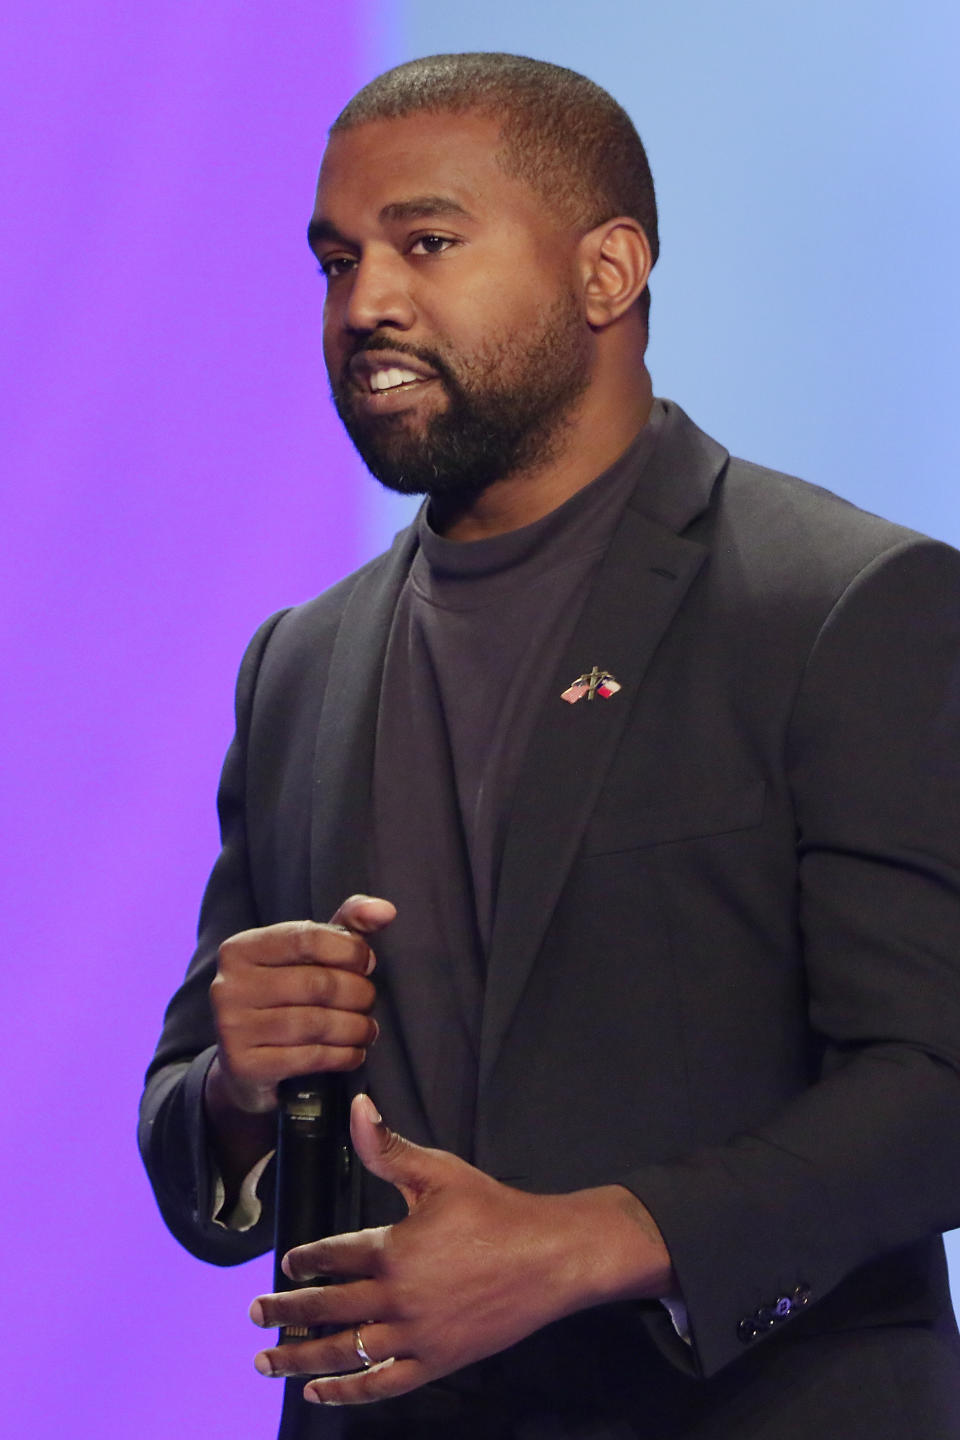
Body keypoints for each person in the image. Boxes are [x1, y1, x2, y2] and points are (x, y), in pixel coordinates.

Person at [139, 52, 960, 1439]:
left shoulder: (844, 605)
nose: (368, 303)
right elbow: (197, 1150)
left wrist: (584, 1244)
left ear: (608, 272)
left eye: (427, 242)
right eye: (339, 260)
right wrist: (229, 1092)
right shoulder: (300, 665)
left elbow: (938, 1083)